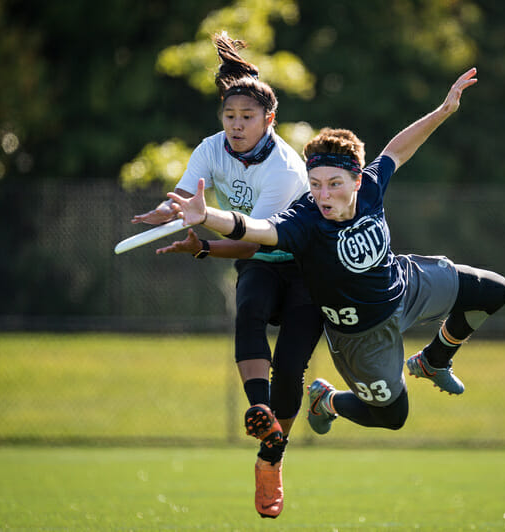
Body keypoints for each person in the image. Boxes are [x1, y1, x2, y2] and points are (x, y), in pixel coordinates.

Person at [165, 67, 505, 437]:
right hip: (363, 335)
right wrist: (208, 216)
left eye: (333, 184)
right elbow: (259, 229)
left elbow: (397, 149)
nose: (323, 195)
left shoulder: (371, 186)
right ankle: (325, 401)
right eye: (315, 185)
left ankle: (433, 359)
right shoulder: (305, 221)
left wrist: (443, 110)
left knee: (495, 291)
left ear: (357, 180)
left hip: (407, 286)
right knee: (393, 417)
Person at [131, 32, 323, 519]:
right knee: (250, 305)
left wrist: (203, 247)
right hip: (259, 263)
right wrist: (164, 214)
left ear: (269, 120)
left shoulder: (283, 169)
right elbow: (184, 198)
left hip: (304, 267)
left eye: (247, 118)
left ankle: (271, 458)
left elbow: (255, 236)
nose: (236, 126)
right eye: (229, 117)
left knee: (292, 372)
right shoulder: (210, 149)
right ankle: (262, 416)